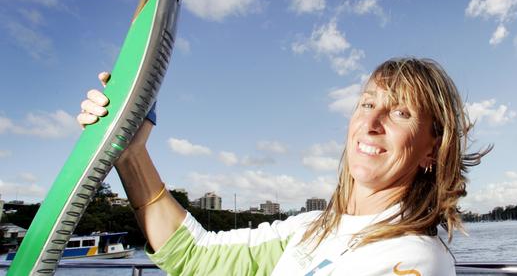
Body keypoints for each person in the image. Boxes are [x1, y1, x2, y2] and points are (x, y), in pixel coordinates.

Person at [78, 57, 488, 275]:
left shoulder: (416, 260)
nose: (372, 123)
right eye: (367, 103)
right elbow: (195, 256)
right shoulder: (308, 229)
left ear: (434, 148)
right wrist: (132, 152)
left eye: (400, 113)